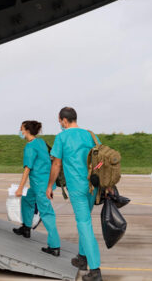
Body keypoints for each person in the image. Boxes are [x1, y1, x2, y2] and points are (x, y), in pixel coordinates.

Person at [47, 107, 102, 281]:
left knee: (84, 224)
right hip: (93, 187)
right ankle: (82, 258)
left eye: (59, 121)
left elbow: (56, 164)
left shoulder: (62, 137)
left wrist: (50, 186)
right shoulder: (91, 135)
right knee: (85, 221)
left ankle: (95, 270)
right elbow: (101, 161)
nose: (60, 124)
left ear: (64, 120)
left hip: (77, 188)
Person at [13, 120, 61, 256]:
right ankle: (26, 228)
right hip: (40, 183)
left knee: (47, 213)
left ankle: (54, 246)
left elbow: (27, 168)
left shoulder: (30, 147)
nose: (20, 131)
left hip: (42, 186)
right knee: (27, 199)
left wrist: (20, 188)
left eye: (21, 129)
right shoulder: (40, 142)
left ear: (27, 130)